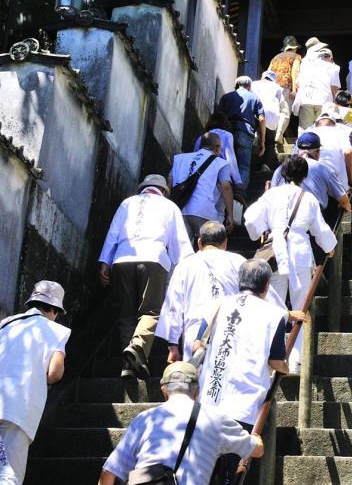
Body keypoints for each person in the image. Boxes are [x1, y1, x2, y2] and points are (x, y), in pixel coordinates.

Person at [195, 260, 293, 485]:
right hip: (244, 405)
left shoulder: (220, 304)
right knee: (236, 471)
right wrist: (285, 368)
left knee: (203, 470)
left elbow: (197, 342)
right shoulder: (273, 314)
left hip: (209, 401)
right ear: (266, 286)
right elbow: (277, 361)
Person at [97, 362, 262, 485]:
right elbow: (255, 450)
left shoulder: (144, 420)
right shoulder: (216, 419)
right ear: (197, 391)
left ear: (164, 391)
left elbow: (109, 472)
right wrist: (256, 438)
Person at [98, 174, 195, 381]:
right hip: (154, 259)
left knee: (126, 313)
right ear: (163, 190)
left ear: (143, 187)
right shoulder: (169, 207)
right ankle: (137, 346)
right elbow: (181, 245)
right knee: (150, 311)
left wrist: (105, 262)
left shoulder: (126, 203)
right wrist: (188, 269)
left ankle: (128, 366)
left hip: (122, 259)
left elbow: (112, 234)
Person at [0, 280, 70, 482]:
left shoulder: (6, 323)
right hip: (18, 410)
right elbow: (54, 373)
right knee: (7, 476)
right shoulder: (57, 331)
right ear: (54, 310)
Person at [267, 156, 337, 373]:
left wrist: (265, 230)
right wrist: (330, 247)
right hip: (300, 254)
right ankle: (295, 360)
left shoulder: (271, 195)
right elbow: (320, 229)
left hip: (275, 253)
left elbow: (251, 220)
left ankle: (271, 358)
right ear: (305, 175)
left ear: (283, 173)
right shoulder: (309, 199)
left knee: (272, 306)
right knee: (300, 307)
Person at [154, 221, 246, 363]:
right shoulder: (239, 262)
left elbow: (174, 306)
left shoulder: (185, 265)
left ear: (199, 242)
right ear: (225, 242)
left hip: (194, 332)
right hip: (232, 329)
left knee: (195, 378)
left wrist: (173, 345)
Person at [171, 132, 235, 243]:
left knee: (182, 249)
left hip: (179, 209)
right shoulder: (221, 163)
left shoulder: (180, 159)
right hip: (203, 211)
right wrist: (230, 215)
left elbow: (169, 181)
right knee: (210, 246)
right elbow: (226, 187)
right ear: (217, 147)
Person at [269, 131, 349, 215]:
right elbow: (343, 199)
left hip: (282, 215)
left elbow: (271, 194)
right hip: (311, 216)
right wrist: (347, 206)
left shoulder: (281, 168)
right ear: (318, 152)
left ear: (298, 150)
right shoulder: (322, 169)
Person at [217, 76, 265, 192]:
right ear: (249, 86)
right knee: (243, 166)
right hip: (245, 132)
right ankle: (239, 195)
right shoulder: (254, 98)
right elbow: (262, 119)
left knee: (224, 162)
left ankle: (223, 191)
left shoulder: (226, 97)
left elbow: (218, 116)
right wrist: (262, 141)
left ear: (236, 85)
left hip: (226, 131)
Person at [292, 43, 339, 134]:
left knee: (305, 130)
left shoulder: (306, 65)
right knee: (323, 130)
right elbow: (334, 88)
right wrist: (333, 101)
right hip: (324, 100)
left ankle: (304, 147)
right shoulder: (333, 67)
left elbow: (298, 84)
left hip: (306, 99)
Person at [193, 113, 244, 193]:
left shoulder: (201, 137)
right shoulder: (227, 135)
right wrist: (237, 181)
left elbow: (195, 156)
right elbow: (230, 157)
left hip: (202, 173)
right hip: (221, 172)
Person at [266, 36, 302, 141]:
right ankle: (279, 134)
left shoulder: (275, 58)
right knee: (285, 112)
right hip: (286, 87)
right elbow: (295, 72)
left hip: (272, 87)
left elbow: (268, 72)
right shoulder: (296, 57)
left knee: (275, 110)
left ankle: (271, 135)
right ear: (294, 47)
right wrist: (294, 89)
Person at [313, 114, 352, 195]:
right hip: (335, 179)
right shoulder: (339, 132)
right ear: (334, 124)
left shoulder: (307, 132)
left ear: (316, 124)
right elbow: (348, 152)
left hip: (310, 179)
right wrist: (351, 180)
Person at [252, 70, 285, 170]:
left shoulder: (254, 84)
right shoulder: (277, 87)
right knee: (270, 142)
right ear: (274, 79)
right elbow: (282, 103)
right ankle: (265, 165)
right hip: (271, 116)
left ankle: (253, 163)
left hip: (256, 113)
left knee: (253, 137)